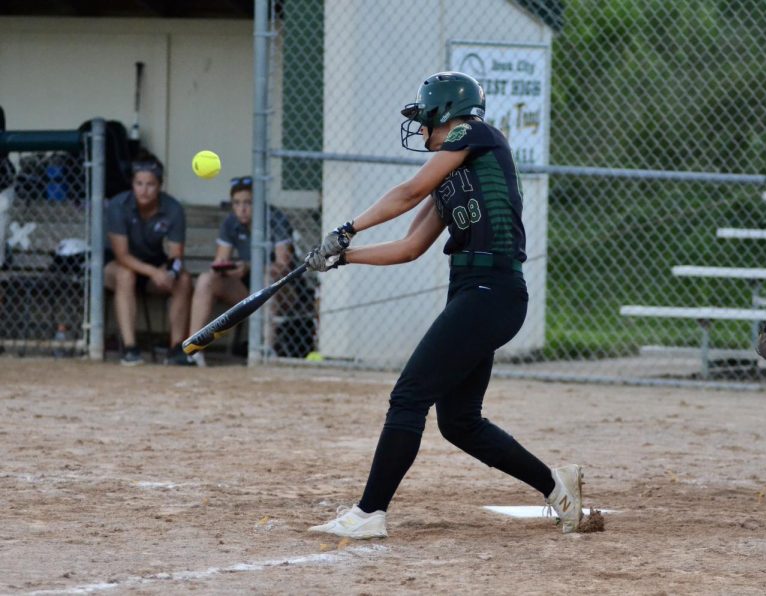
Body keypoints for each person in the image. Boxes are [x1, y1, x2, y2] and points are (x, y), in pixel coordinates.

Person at [304, 72, 584, 539]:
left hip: (492, 291)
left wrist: (347, 228)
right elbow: (411, 246)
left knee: (410, 395)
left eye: (423, 120)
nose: (421, 130)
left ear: (444, 113)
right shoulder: (452, 179)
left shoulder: (474, 133)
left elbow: (407, 191)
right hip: (475, 294)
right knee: (459, 422)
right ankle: (558, 490)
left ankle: (370, 513)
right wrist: (343, 258)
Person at [187, 176, 294, 366]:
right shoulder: (231, 222)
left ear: (258, 202)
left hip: (280, 291)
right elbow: (220, 261)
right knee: (206, 279)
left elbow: (282, 266)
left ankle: (265, 351)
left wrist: (249, 267)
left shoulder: (275, 219)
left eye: (248, 203)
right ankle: (193, 350)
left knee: (268, 276)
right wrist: (227, 269)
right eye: (236, 203)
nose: (242, 209)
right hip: (246, 290)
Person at [104, 150, 193, 366]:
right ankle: (130, 348)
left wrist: (170, 272)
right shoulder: (118, 205)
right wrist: (155, 272)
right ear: (132, 184)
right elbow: (122, 255)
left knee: (183, 279)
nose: (144, 190)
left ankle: (176, 349)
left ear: (160, 185)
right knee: (126, 275)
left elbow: (176, 254)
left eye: (150, 184)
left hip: (155, 266)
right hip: (117, 267)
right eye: (139, 183)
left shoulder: (172, 208)